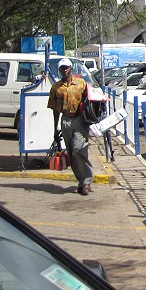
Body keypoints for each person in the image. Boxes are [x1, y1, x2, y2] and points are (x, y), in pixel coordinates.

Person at [47, 58, 93, 195]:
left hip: (79, 120)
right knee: (72, 154)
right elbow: (55, 109)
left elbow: (90, 101)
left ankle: (87, 181)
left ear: (71, 68)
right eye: (62, 68)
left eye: (66, 67)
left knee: (79, 150)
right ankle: (81, 181)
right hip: (65, 120)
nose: (64, 70)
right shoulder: (56, 88)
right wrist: (55, 129)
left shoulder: (81, 83)